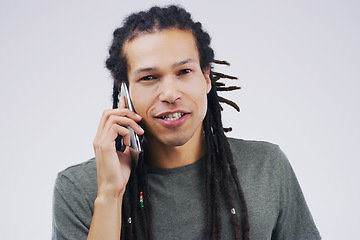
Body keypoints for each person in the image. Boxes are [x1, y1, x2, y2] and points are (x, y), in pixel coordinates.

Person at [52, 5, 321, 240]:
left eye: (184, 71)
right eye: (149, 77)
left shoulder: (266, 166)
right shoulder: (78, 188)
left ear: (206, 79)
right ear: (125, 93)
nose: (170, 93)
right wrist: (110, 194)